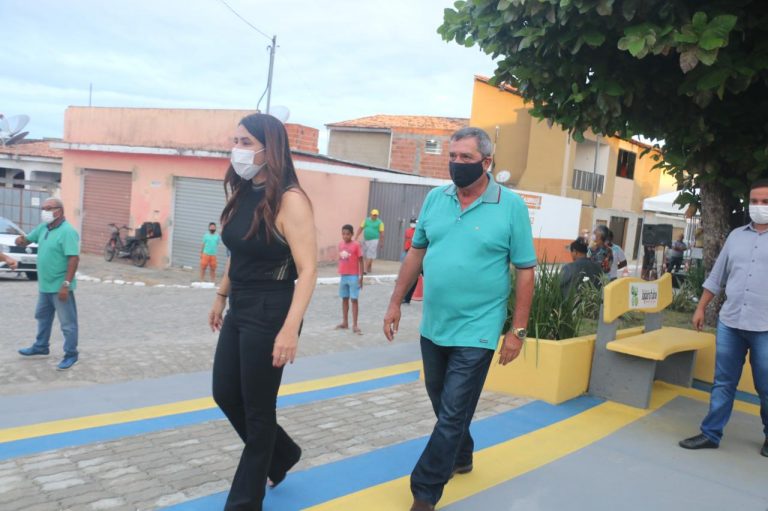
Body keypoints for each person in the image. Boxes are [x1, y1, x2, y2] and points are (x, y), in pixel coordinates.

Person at [383, 127, 536, 511]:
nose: (456, 163)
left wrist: (517, 331)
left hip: (479, 328)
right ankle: (462, 454)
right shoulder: (436, 199)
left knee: (452, 412)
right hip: (434, 325)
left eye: (465, 157)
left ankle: (424, 491)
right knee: (443, 402)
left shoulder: (511, 206)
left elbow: (525, 270)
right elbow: (416, 254)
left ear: (486, 162)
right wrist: (395, 302)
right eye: (452, 156)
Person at [208, 113, 318, 510]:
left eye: (245, 142)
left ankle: (243, 502)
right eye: (235, 141)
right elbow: (238, 251)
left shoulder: (290, 200)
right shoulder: (243, 191)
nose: (236, 149)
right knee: (225, 392)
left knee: (258, 412)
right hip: (241, 303)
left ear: (270, 149)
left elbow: (308, 271)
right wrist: (221, 295)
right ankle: (283, 453)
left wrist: (290, 330)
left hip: (272, 308)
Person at [679, 179, 768, 458]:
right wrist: (701, 308)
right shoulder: (736, 236)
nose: (759, 206)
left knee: (766, 386)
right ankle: (710, 433)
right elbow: (717, 276)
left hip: (765, 326)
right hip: (730, 322)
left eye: (765, 202)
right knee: (723, 382)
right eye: (754, 201)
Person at [16, 198, 81, 370]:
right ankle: (41, 346)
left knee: (67, 323)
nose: (44, 212)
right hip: (45, 286)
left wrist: (66, 285)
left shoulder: (68, 232)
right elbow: (27, 240)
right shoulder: (43, 228)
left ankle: (71, 354)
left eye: (48, 208)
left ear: (59, 210)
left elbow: (74, 259)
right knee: (42, 316)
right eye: (43, 208)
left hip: (60, 287)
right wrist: (20, 240)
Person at [336, 224, 363, 334]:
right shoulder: (340, 245)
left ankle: (355, 324)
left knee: (354, 300)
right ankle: (345, 322)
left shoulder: (356, 245)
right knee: (344, 299)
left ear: (352, 234)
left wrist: (361, 277)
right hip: (343, 276)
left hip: (353, 276)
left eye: (347, 234)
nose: (345, 236)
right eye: (343, 234)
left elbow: (361, 261)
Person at [355, 208, 384, 274]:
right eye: (373, 215)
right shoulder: (366, 220)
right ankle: (369, 266)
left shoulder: (380, 223)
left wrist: (382, 242)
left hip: (374, 240)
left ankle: (364, 270)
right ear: (371, 214)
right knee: (364, 254)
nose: (375, 216)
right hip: (365, 239)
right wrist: (356, 236)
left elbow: (382, 233)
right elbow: (360, 228)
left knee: (370, 254)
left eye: (376, 215)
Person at [402, 218, 419, 304]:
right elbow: (406, 240)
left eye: (414, 223)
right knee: (411, 276)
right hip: (408, 252)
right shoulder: (408, 231)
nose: (413, 224)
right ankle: (407, 298)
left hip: (418, 254)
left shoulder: (418, 231)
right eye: (412, 222)